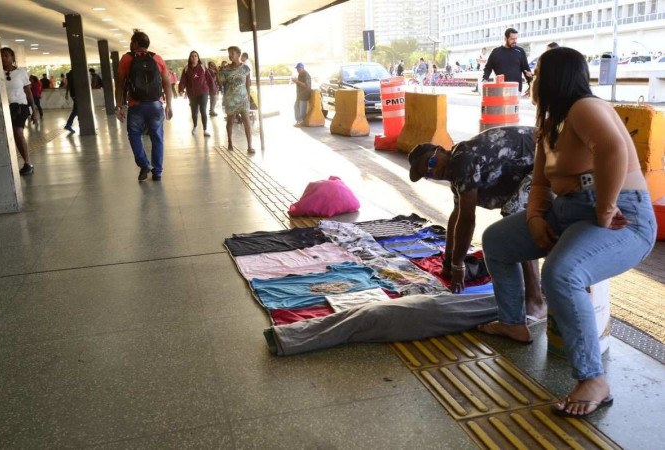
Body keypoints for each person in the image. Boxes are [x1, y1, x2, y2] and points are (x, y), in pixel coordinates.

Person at [477, 47, 656, 418]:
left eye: (537, 71)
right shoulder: (550, 123)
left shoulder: (584, 107)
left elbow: (613, 149)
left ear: (556, 77)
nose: (531, 78)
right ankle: (514, 323)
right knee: (497, 241)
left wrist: (605, 209)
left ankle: (593, 380)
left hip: (624, 216)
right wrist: (534, 219)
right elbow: (541, 183)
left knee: (562, 274)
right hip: (566, 211)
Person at [407, 126, 546, 322]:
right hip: (533, 161)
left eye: (431, 162)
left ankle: (536, 301)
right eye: (428, 174)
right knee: (514, 218)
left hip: (545, 158)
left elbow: (467, 220)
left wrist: (458, 266)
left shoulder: (462, 159)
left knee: (515, 223)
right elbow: (456, 217)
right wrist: (448, 261)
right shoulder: (457, 176)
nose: (434, 171)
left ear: (440, 150)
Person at [264, 293, 497, 356]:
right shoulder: (487, 307)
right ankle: (285, 338)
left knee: (349, 324)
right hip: (419, 312)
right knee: (350, 324)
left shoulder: (486, 307)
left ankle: (286, 339)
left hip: (416, 313)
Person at [115, 30, 173, 181]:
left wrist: (118, 106)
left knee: (134, 134)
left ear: (134, 43)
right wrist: (169, 105)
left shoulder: (127, 59)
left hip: (136, 105)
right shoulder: (157, 58)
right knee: (157, 137)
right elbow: (167, 84)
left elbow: (120, 84)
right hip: (155, 105)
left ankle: (144, 164)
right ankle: (158, 172)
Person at [1, 47, 37, 175]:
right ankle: (24, 163)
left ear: (12, 57)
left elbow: (28, 92)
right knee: (14, 137)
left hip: (21, 107)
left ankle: (28, 163)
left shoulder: (21, 72)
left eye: (6, 55)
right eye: (2, 56)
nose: (4, 58)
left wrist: (34, 110)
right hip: (5, 108)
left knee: (18, 132)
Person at [218, 45, 254, 153]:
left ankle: (250, 146)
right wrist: (218, 72)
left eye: (232, 53)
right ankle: (230, 142)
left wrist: (248, 97)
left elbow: (248, 85)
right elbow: (220, 82)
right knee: (230, 121)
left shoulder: (245, 68)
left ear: (238, 55)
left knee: (246, 122)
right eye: (229, 53)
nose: (230, 55)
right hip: (231, 99)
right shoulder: (225, 70)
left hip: (243, 99)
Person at [482, 27, 532, 92]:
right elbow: (488, 68)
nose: (515, 41)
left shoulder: (520, 51)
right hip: (500, 89)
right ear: (505, 38)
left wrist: (530, 84)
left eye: (516, 39)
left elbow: (526, 69)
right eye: (512, 39)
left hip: (516, 89)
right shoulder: (496, 52)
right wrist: (485, 79)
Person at [178, 51, 216, 136]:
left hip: (203, 92)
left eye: (195, 56)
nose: (194, 57)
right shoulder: (186, 69)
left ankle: (205, 129)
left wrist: (213, 90)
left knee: (203, 110)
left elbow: (209, 79)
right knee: (194, 111)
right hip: (192, 94)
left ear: (198, 58)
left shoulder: (202, 67)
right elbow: (183, 81)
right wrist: (181, 89)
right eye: (192, 56)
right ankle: (195, 126)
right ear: (190, 58)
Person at [291, 62, 311, 127]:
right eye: (297, 69)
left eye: (299, 69)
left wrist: (297, 81)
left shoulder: (306, 74)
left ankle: (301, 121)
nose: (297, 70)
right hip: (300, 94)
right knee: (296, 106)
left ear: (302, 68)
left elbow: (306, 85)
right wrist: (296, 81)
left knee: (302, 109)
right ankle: (299, 120)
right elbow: (300, 84)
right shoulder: (300, 74)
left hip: (304, 94)